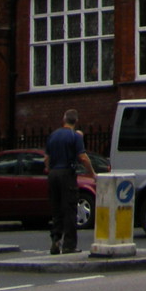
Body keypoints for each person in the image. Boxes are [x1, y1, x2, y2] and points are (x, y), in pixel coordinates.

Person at [45, 109, 94, 254]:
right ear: (76, 121)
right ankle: (69, 245)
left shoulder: (53, 135)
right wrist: (92, 173)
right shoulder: (75, 136)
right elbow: (83, 157)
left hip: (53, 174)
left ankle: (55, 240)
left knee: (56, 209)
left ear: (63, 120)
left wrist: (50, 170)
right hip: (67, 174)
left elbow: (46, 158)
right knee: (70, 209)